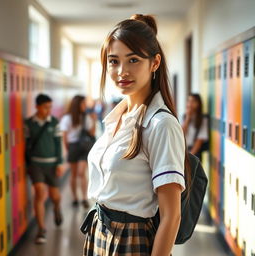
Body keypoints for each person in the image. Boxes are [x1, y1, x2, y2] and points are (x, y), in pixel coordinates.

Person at [81, 14, 191, 256]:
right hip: (100, 231)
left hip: (130, 241)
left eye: (133, 60)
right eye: (113, 61)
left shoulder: (161, 124)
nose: (122, 71)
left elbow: (172, 216)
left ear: (154, 63)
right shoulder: (117, 118)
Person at [25, 94, 63, 244]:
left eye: (50, 107)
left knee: (55, 196)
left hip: (52, 164)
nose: (49, 110)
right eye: (46, 107)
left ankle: (57, 208)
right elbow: (26, 145)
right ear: (37, 107)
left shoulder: (54, 122)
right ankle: (41, 230)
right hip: (36, 165)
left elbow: (58, 144)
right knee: (40, 193)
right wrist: (27, 165)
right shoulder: (29, 123)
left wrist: (59, 163)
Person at [60, 95, 95, 209]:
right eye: (83, 103)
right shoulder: (67, 118)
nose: (85, 106)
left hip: (84, 148)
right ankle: (75, 198)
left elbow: (92, 134)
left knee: (81, 173)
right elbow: (64, 137)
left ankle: (84, 198)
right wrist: (68, 149)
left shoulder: (86, 117)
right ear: (77, 105)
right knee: (74, 174)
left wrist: (93, 120)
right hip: (73, 147)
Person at [182, 93, 209, 160]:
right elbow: (181, 134)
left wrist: (190, 157)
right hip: (183, 151)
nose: (190, 104)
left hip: (194, 154)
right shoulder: (184, 117)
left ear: (198, 104)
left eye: (193, 101)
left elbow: (200, 140)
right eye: (189, 101)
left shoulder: (203, 119)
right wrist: (188, 118)